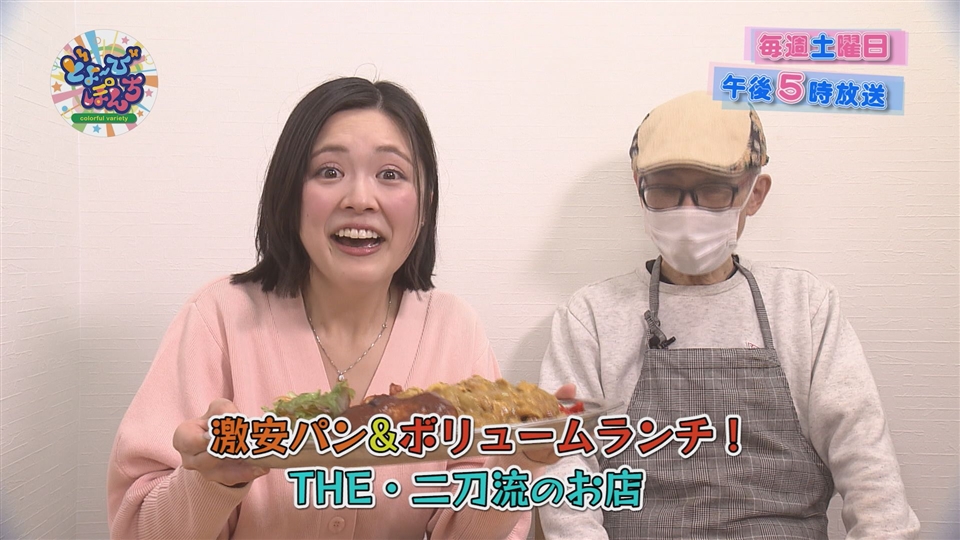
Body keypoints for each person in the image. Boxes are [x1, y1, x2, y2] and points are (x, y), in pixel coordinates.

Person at [107, 76, 557, 540]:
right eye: (329, 171)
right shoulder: (218, 317)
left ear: (424, 205)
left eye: (390, 174)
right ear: (289, 195)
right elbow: (136, 529)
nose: (360, 200)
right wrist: (211, 481)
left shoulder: (453, 329)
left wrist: (522, 464)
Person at [536, 91, 921, 539]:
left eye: (714, 189)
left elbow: (868, 466)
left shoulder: (804, 306)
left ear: (755, 193)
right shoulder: (591, 316)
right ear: (639, 188)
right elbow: (563, 471)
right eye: (665, 189)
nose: (687, 213)